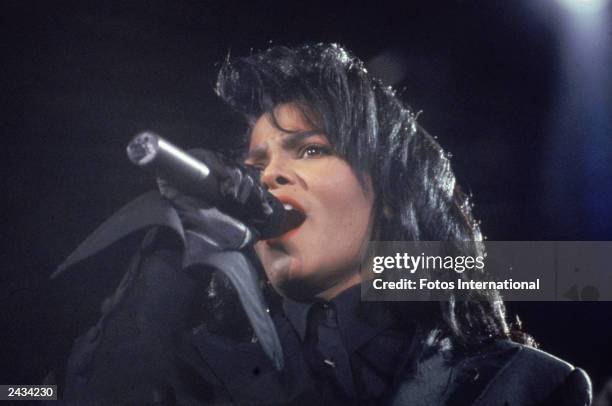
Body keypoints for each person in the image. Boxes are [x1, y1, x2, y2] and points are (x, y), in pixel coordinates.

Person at [56, 43, 592, 405]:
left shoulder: (524, 384)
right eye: (256, 164)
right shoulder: (193, 375)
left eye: (310, 150)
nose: (269, 177)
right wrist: (173, 252)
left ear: (388, 194)